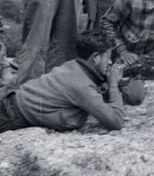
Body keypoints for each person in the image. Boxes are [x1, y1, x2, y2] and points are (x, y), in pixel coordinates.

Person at [0, 29, 128, 133]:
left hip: (9, 99)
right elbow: (116, 121)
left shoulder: (72, 65)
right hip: (10, 113)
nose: (110, 62)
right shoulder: (82, 86)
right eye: (108, 58)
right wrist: (113, 85)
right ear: (95, 58)